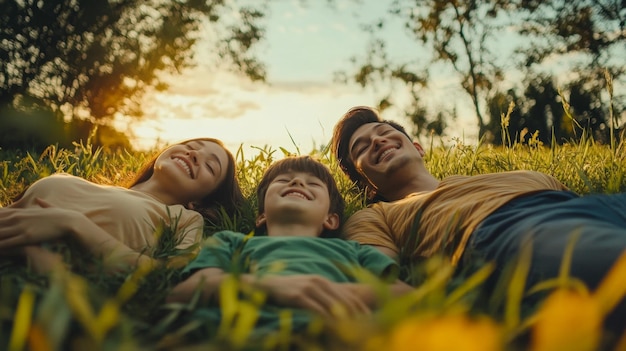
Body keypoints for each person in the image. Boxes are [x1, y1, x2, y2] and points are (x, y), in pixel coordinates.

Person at [330, 106, 626, 334]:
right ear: (367, 186)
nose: (377, 141)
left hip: (588, 206)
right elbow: (378, 284)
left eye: (382, 131)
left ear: (418, 147)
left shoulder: (522, 176)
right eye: (362, 147)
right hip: (505, 230)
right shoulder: (376, 215)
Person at [167, 155, 412, 335]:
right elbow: (183, 293)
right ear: (261, 216)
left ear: (331, 219)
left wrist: (337, 296)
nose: (297, 182)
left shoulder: (354, 251)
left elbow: (406, 294)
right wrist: (270, 286)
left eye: (313, 184)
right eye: (284, 180)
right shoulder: (231, 242)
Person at [0, 137, 246, 273]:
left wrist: (73, 224)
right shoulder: (73, 180)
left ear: (200, 201)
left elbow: (168, 274)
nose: (194, 155)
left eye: (210, 166)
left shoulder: (184, 218)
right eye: (191, 147)